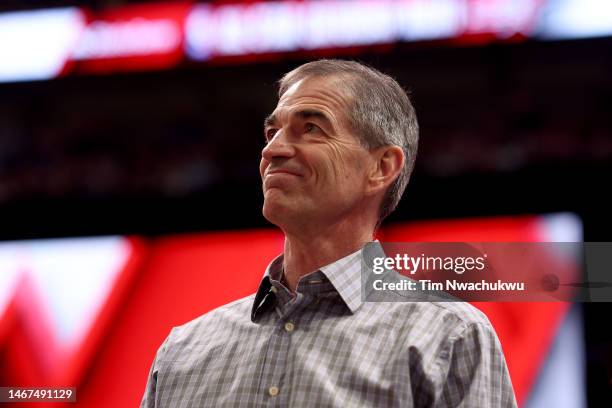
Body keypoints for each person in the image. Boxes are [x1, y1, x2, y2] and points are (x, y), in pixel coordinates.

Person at [140, 60, 517, 407]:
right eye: (272, 132)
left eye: (311, 128)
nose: (273, 150)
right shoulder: (180, 352)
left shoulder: (449, 338)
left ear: (382, 167)